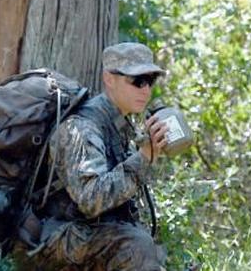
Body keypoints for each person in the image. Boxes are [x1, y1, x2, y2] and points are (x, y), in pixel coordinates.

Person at [9, 42, 170, 271]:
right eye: (137, 80)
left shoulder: (120, 125)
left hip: (83, 234)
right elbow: (91, 200)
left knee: (148, 245)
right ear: (109, 79)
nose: (145, 89)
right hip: (50, 239)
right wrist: (143, 156)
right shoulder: (83, 127)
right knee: (136, 246)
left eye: (150, 80)